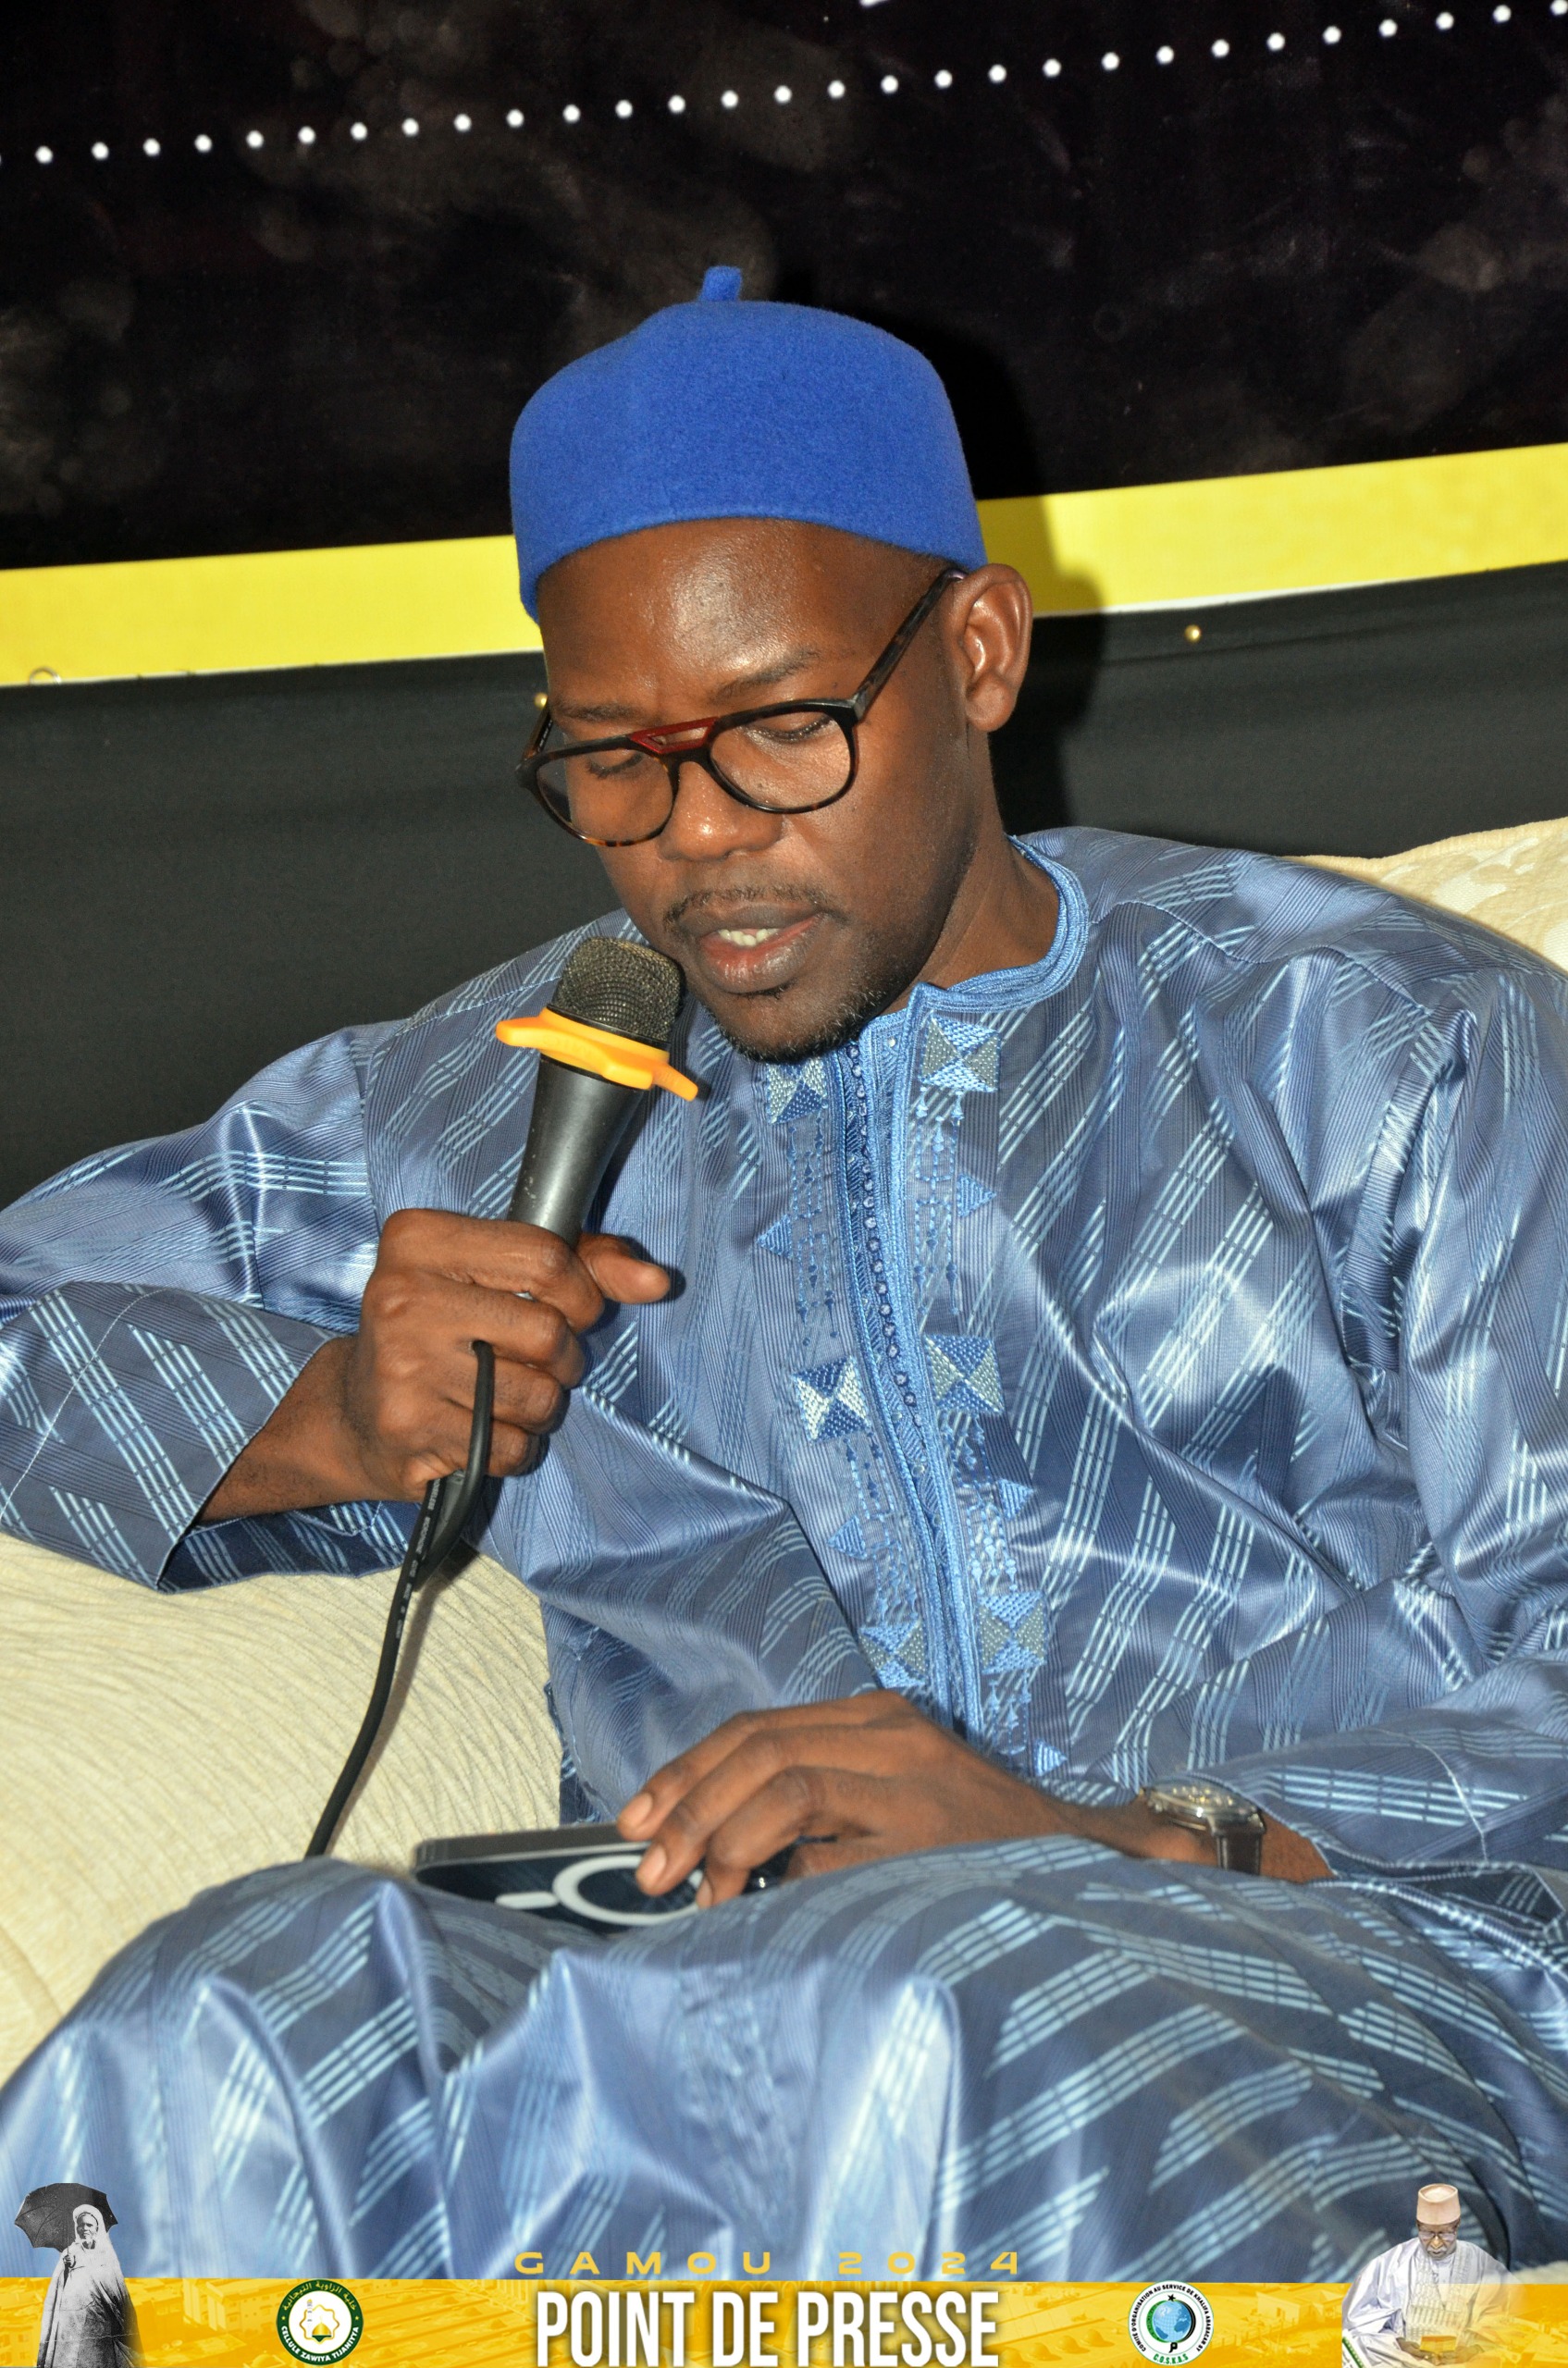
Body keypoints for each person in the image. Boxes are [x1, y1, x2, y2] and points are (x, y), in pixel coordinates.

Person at [2, 269, 1568, 2283]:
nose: (697, 843)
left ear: (980, 653)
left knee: (920, 2022)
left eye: (778, 731)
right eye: (611, 759)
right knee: (219, 2021)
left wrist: (1120, 1830)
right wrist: (328, 1426)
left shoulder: (1375, 1044)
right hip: (696, 1980)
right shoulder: (490, 1100)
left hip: (1341, 1963)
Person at [1341, 2184, 1510, 2363]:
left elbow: (1512, 2322)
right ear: (1418, 2226)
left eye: (1444, 2233)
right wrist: (1399, 2344)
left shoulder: (1482, 2264)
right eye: (1428, 2233)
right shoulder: (1390, 2264)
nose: (1436, 2243)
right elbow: (1355, 2326)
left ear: (1456, 2226)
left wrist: (1472, 2351)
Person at [35, 2205, 134, 2368]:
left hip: (102, 2319)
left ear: (97, 2228)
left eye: (89, 2225)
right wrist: (67, 2269)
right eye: (81, 2225)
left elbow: (116, 2287)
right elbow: (58, 2290)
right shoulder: (70, 2253)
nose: (84, 2229)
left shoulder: (106, 2254)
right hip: (75, 2322)